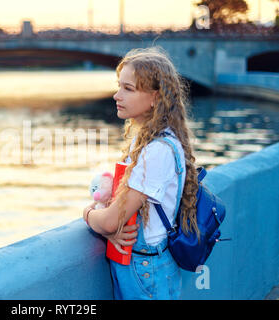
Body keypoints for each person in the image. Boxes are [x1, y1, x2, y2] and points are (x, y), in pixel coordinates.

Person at [82, 46, 199, 300]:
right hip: (139, 265)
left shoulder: (157, 151)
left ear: (156, 97)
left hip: (146, 271)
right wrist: (110, 228)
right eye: (119, 85)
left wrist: (88, 213)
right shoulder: (150, 140)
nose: (116, 95)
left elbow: (112, 220)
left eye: (128, 89)